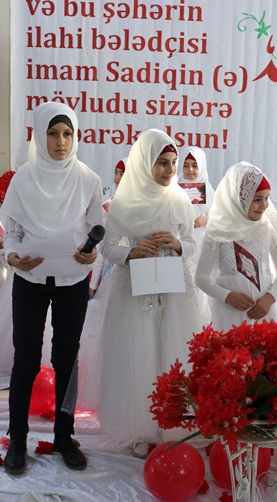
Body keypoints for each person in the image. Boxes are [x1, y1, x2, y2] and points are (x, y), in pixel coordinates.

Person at [0, 102, 103, 474]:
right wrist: (13, 258)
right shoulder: (23, 179)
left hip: (73, 281)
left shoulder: (89, 179)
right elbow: (11, 235)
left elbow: (97, 233)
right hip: (30, 282)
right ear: (40, 135)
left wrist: (93, 256)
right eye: (53, 133)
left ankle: (64, 435)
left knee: (66, 361)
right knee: (25, 361)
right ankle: (18, 439)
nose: (61, 141)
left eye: (68, 133)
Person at [94, 129, 207, 458]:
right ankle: (142, 428)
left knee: (171, 352)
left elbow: (190, 243)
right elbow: (108, 246)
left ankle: (172, 425)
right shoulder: (124, 202)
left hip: (173, 289)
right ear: (144, 163)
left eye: (173, 162)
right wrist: (132, 251)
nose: (170, 170)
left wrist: (177, 245)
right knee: (140, 354)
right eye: (161, 163)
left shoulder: (181, 199)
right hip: (135, 289)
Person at [195, 162, 277, 331]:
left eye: (267, 198)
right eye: (257, 199)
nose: (264, 205)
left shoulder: (268, 229)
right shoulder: (217, 231)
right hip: (229, 312)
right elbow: (201, 277)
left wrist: (270, 299)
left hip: (264, 311)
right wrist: (227, 296)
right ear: (239, 198)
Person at [176, 146, 213, 268]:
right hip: (180, 237)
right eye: (185, 165)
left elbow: (220, 215)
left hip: (201, 239)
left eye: (195, 165)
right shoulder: (174, 189)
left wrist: (205, 219)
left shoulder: (209, 190)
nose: (190, 170)